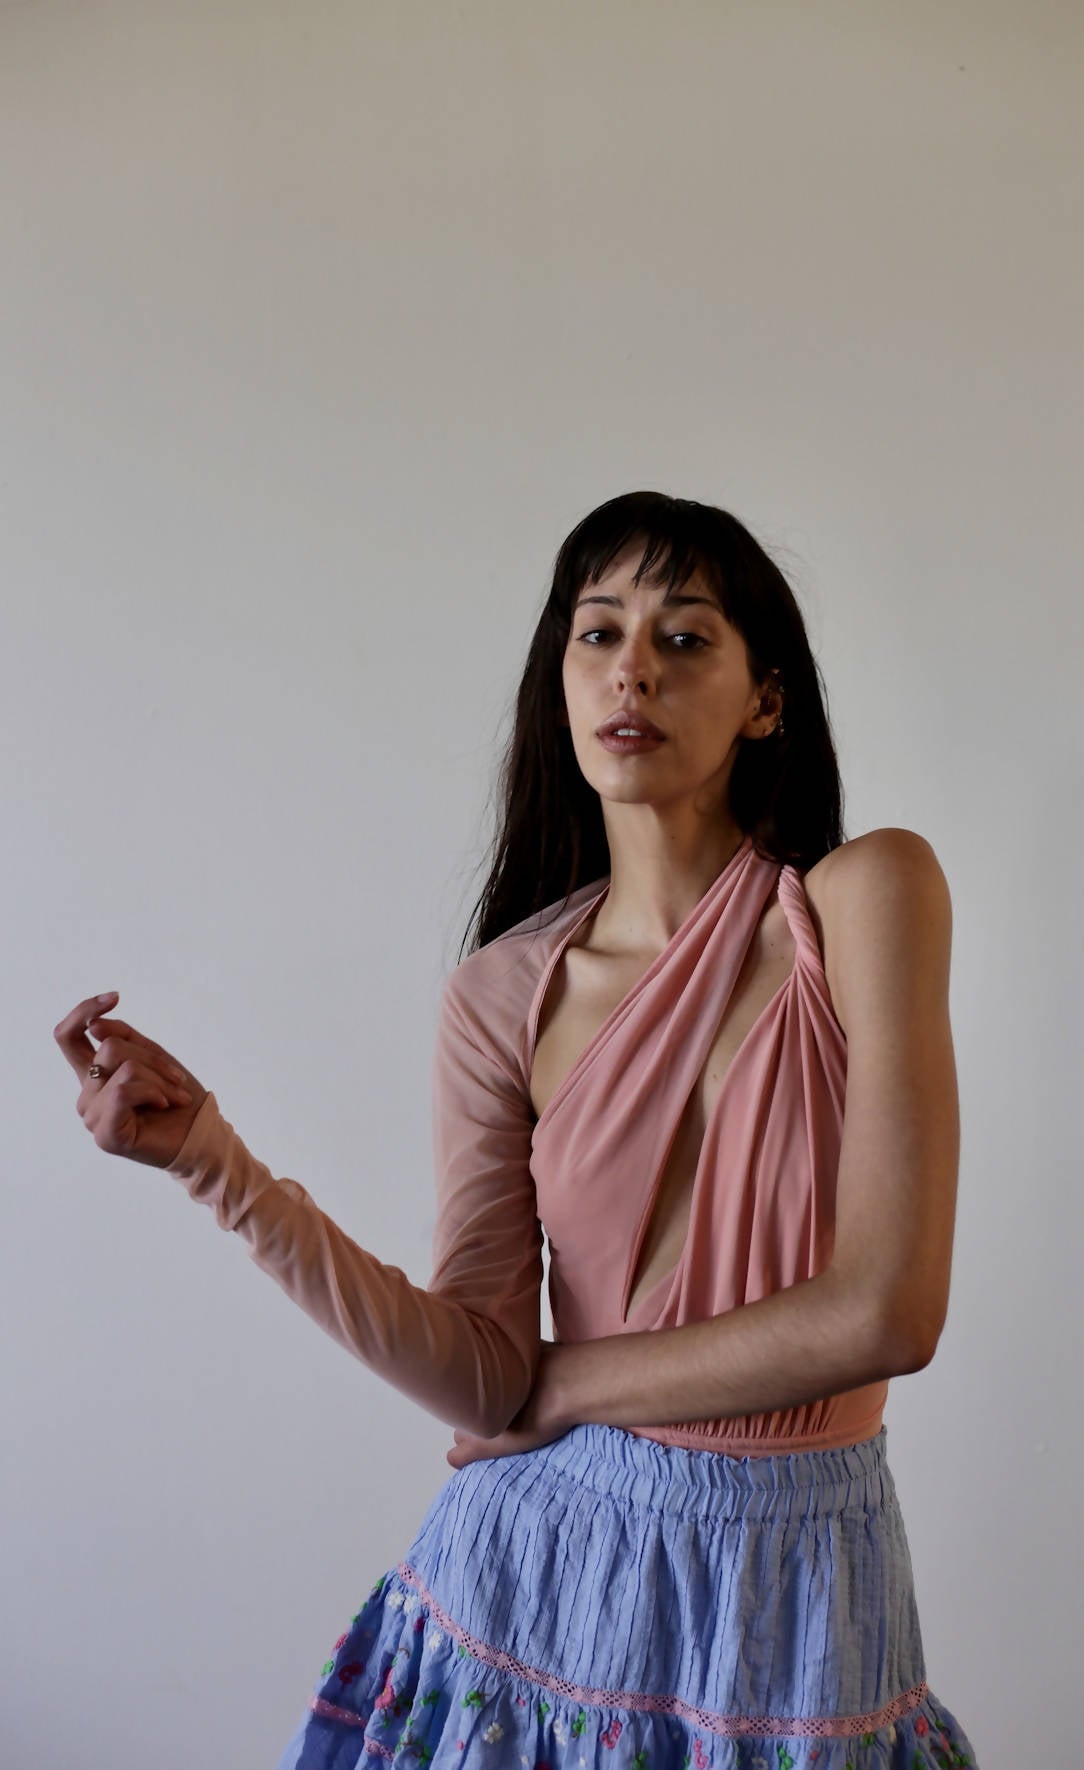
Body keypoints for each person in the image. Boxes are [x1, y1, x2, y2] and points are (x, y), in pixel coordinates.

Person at [55, 490, 979, 1769]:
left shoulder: (869, 897)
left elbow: (888, 1315)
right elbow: (478, 1378)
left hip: (805, 1585)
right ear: (562, 686)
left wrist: (561, 1384)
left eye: (685, 637)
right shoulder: (504, 993)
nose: (633, 669)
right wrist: (213, 1163)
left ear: (767, 700)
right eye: (598, 634)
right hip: (533, 1581)